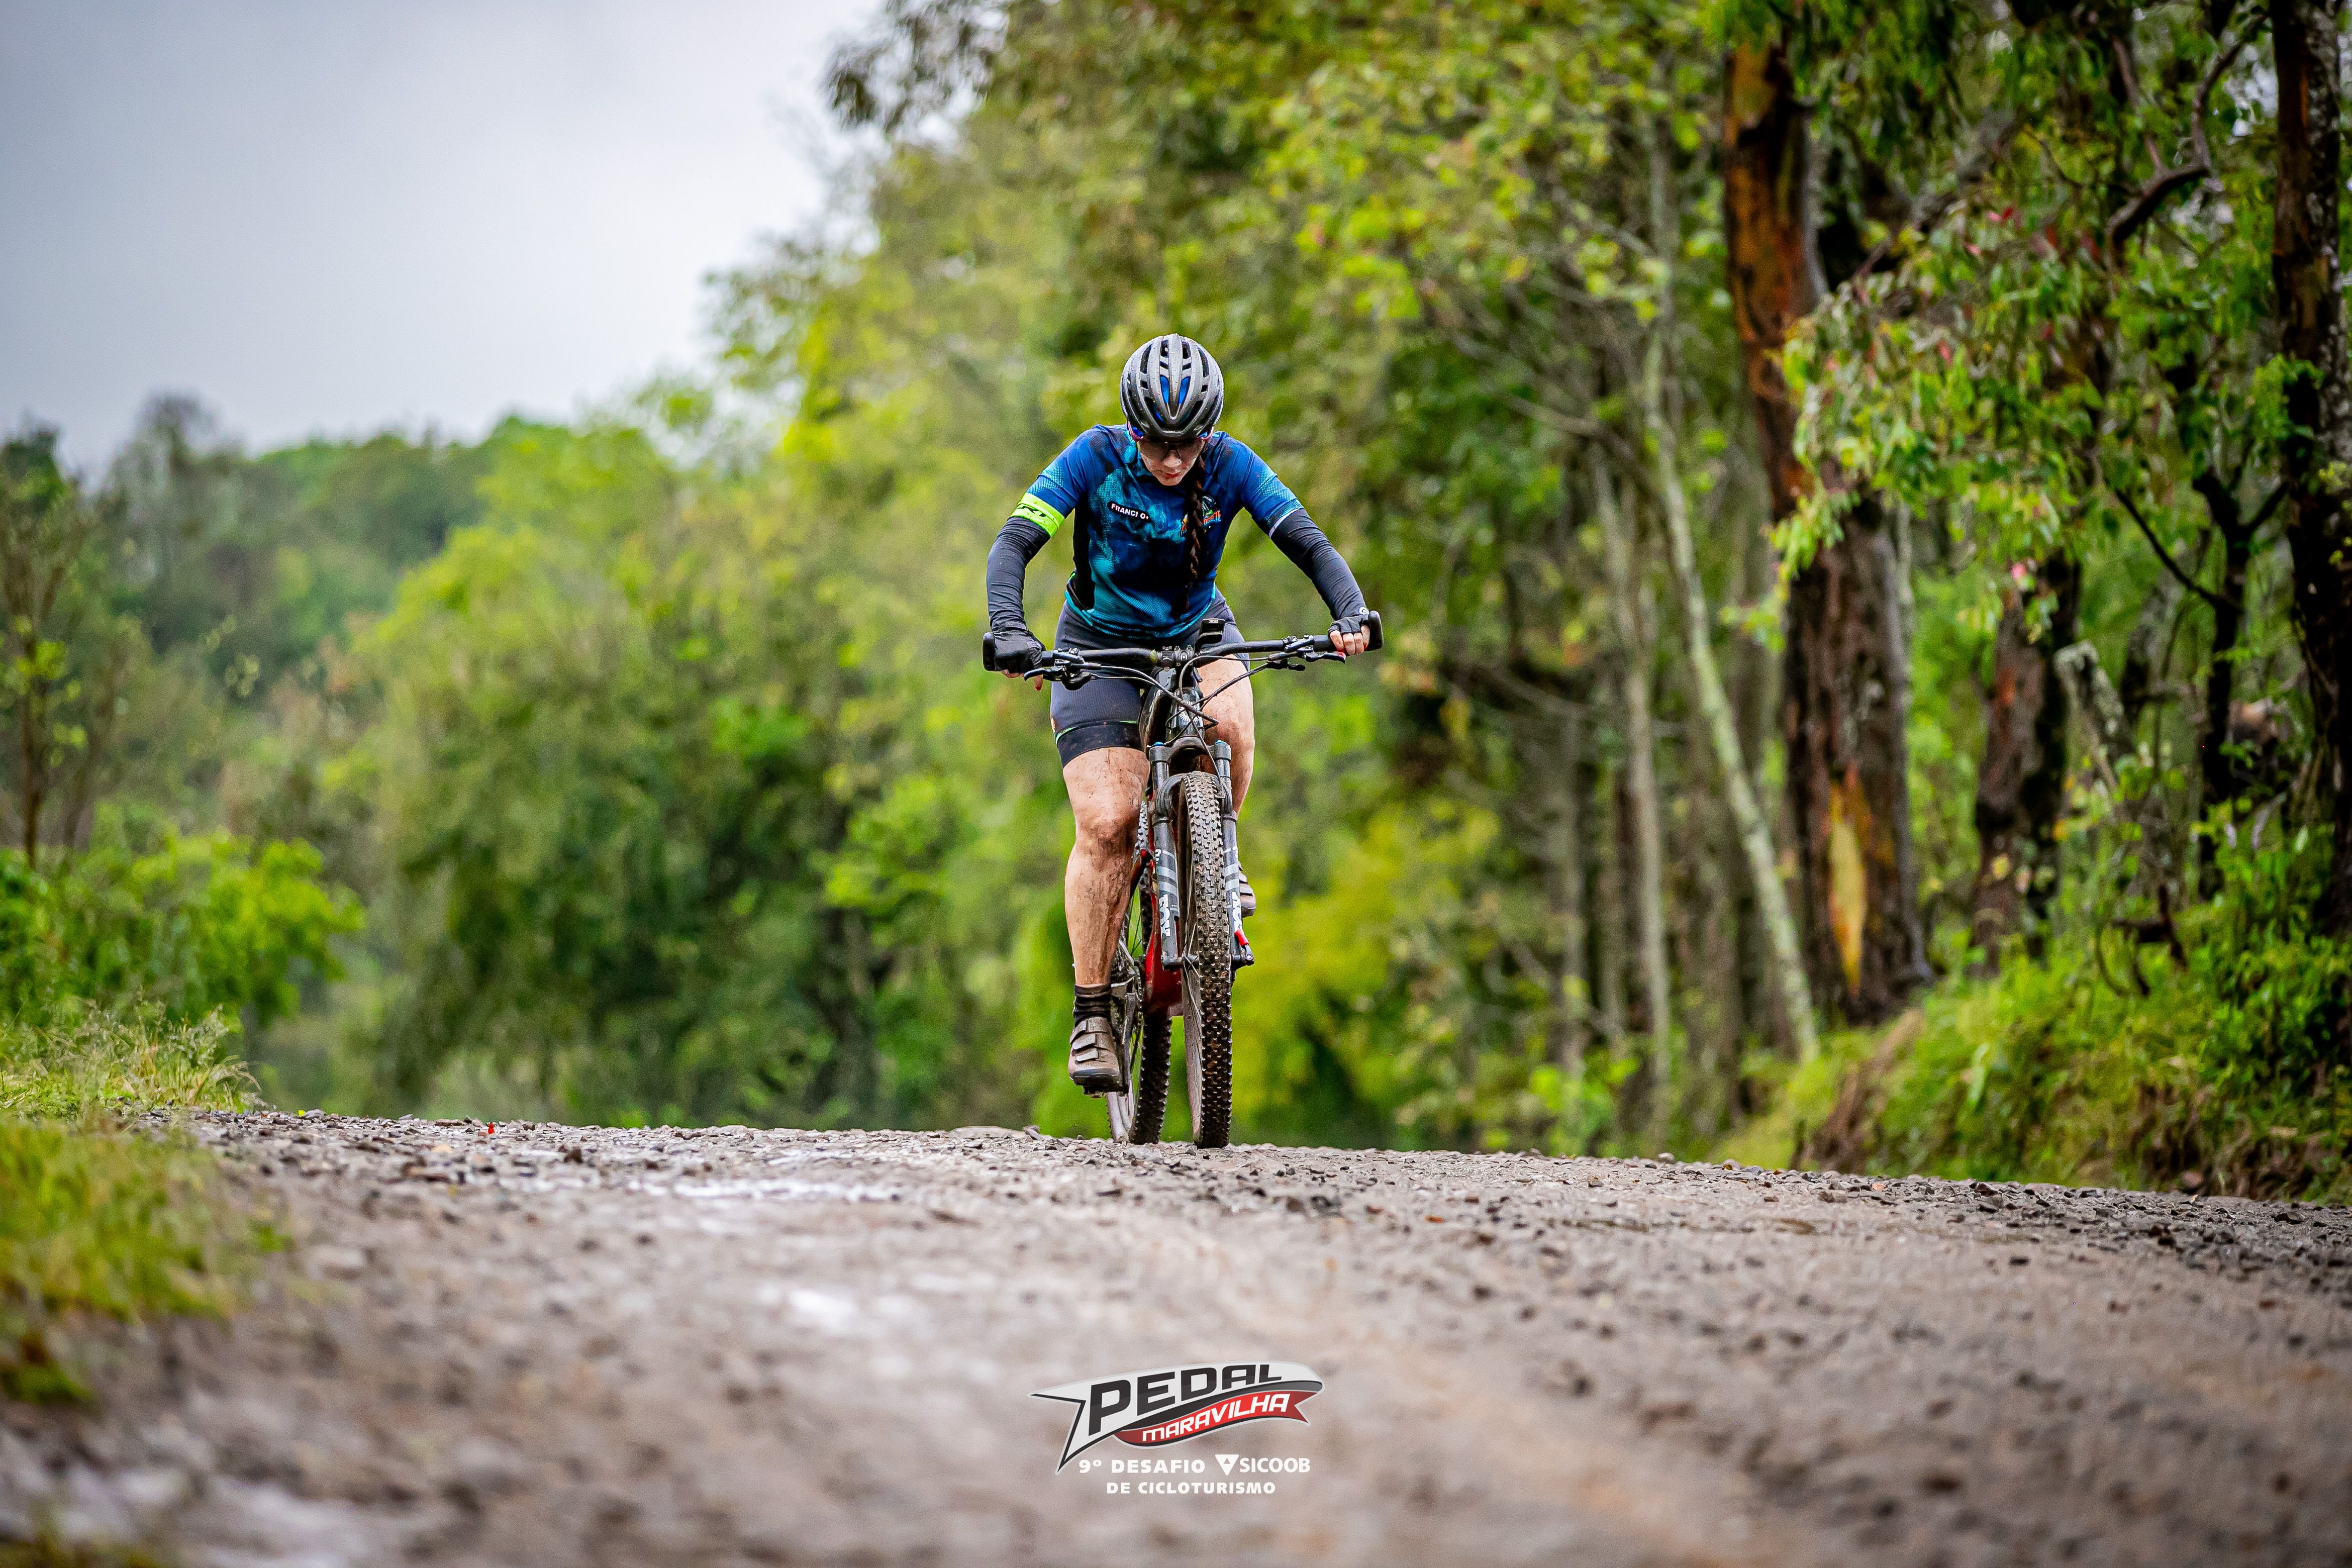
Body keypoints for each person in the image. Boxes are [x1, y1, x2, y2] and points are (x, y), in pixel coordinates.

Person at [985, 334, 1372, 1094]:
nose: (1171, 459)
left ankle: (1219, 856)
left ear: (1208, 433)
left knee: (1232, 724)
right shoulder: (1094, 458)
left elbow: (1305, 540)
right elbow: (1015, 540)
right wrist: (1010, 629)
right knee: (1108, 822)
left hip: (1199, 629)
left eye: (1186, 443)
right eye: (1157, 443)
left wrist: (1350, 611)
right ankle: (1093, 1012)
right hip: (1097, 643)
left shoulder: (1232, 465)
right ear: (1133, 429)